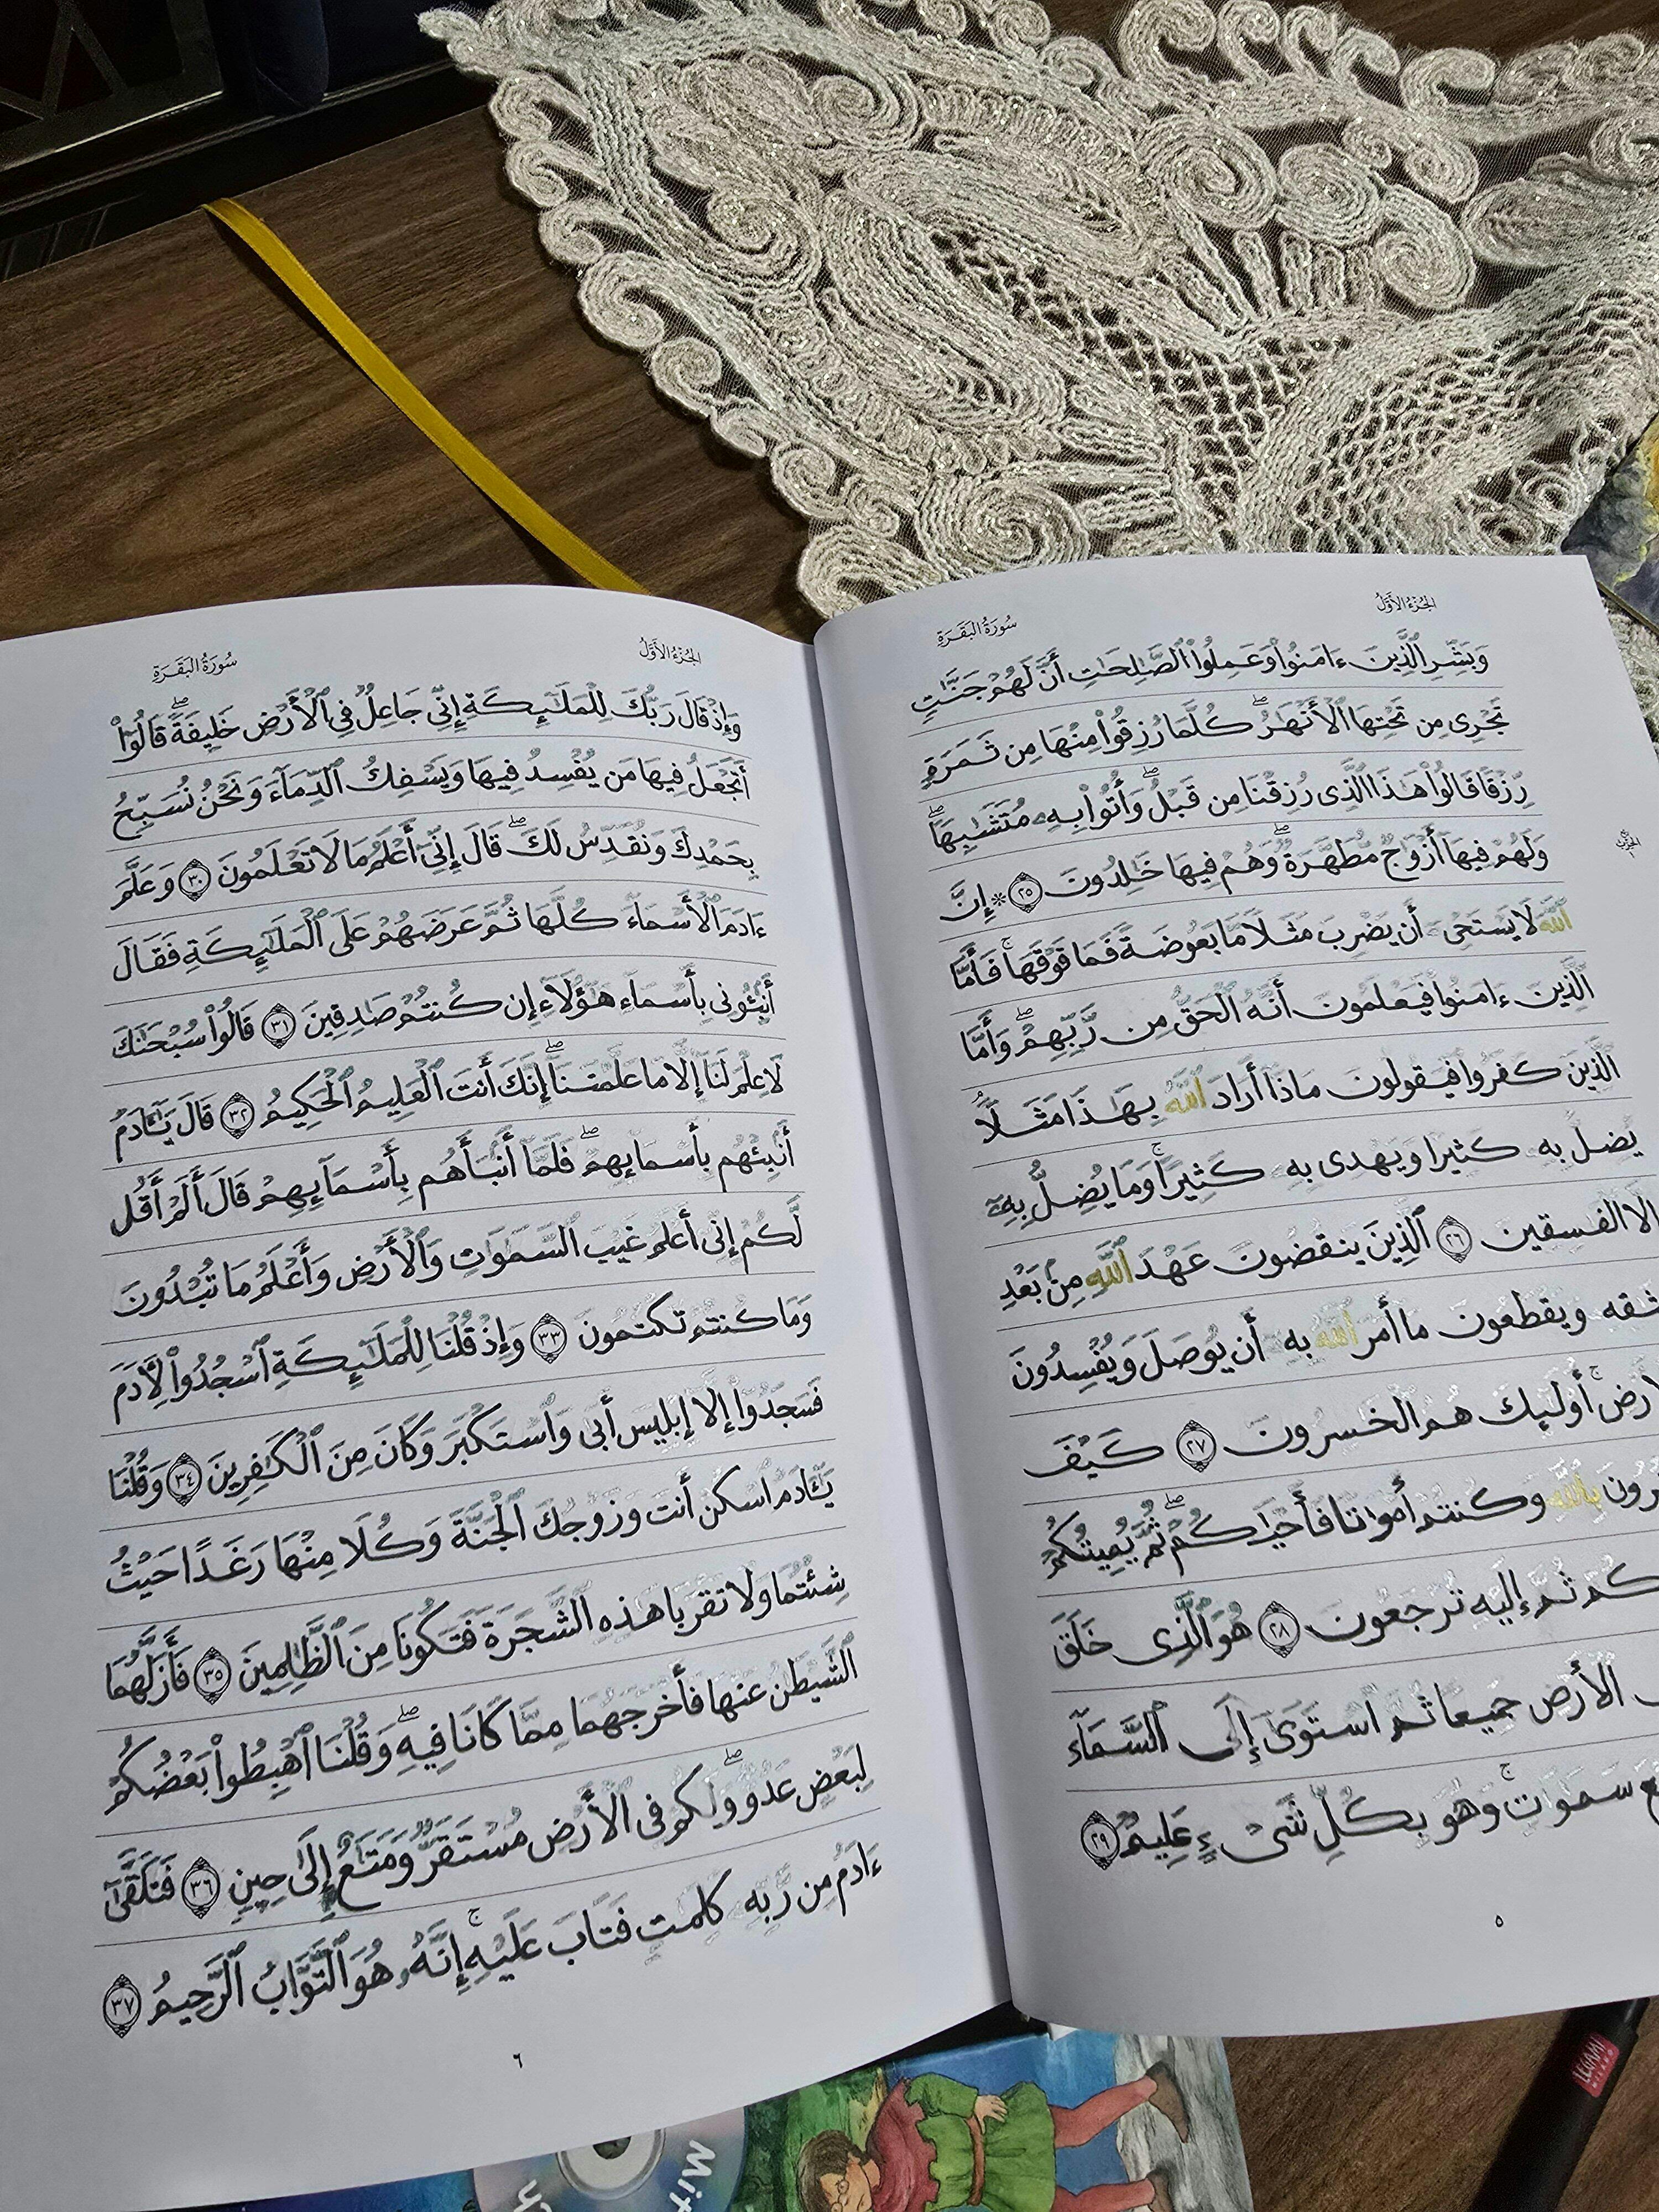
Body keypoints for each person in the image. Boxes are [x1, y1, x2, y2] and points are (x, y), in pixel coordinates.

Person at [796, 2063, 1190, 2212]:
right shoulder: (889, 2210)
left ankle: (1152, 2086)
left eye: (841, 2189)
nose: (848, 2204)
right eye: (837, 2210)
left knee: (1077, 2128)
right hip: (994, 2184)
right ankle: (1149, 2192)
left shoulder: (887, 2128)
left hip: (994, 2131)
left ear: (850, 2159)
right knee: (1068, 2211)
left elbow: (928, 2089)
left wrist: (972, 2103)